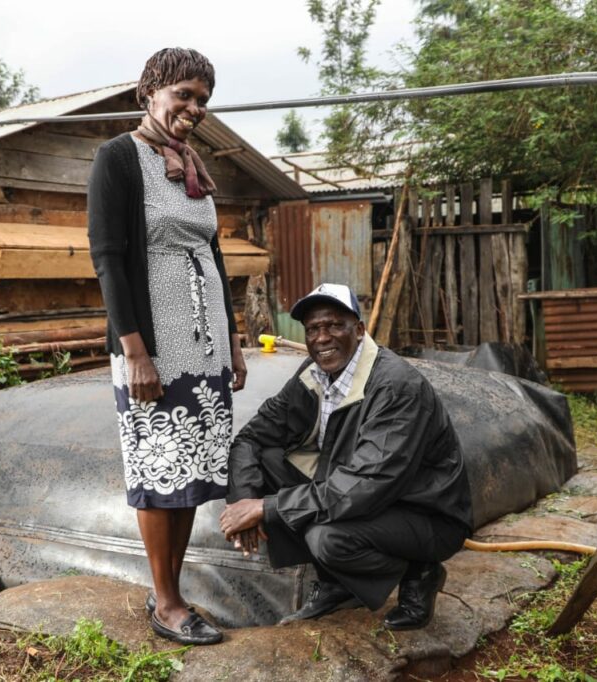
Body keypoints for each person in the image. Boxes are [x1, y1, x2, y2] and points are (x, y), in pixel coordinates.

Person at [88, 47, 246, 646]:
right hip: (153, 343)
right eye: (184, 93)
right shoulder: (118, 158)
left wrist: (232, 340)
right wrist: (134, 351)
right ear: (150, 90)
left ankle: (170, 591)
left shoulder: (193, 168)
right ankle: (168, 601)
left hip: (202, 344)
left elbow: (214, 255)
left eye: (203, 99)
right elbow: (107, 257)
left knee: (191, 472)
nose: (194, 107)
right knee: (159, 469)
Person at [219, 283, 472, 630]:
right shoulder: (314, 374)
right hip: (358, 490)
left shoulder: (395, 387)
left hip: (424, 512)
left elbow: (367, 484)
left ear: (360, 330)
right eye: (313, 329)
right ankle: (337, 584)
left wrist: (265, 508)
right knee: (265, 461)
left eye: (334, 325)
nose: (322, 338)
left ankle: (420, 571)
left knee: (327, 539)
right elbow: (251, 437)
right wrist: (245, 498)